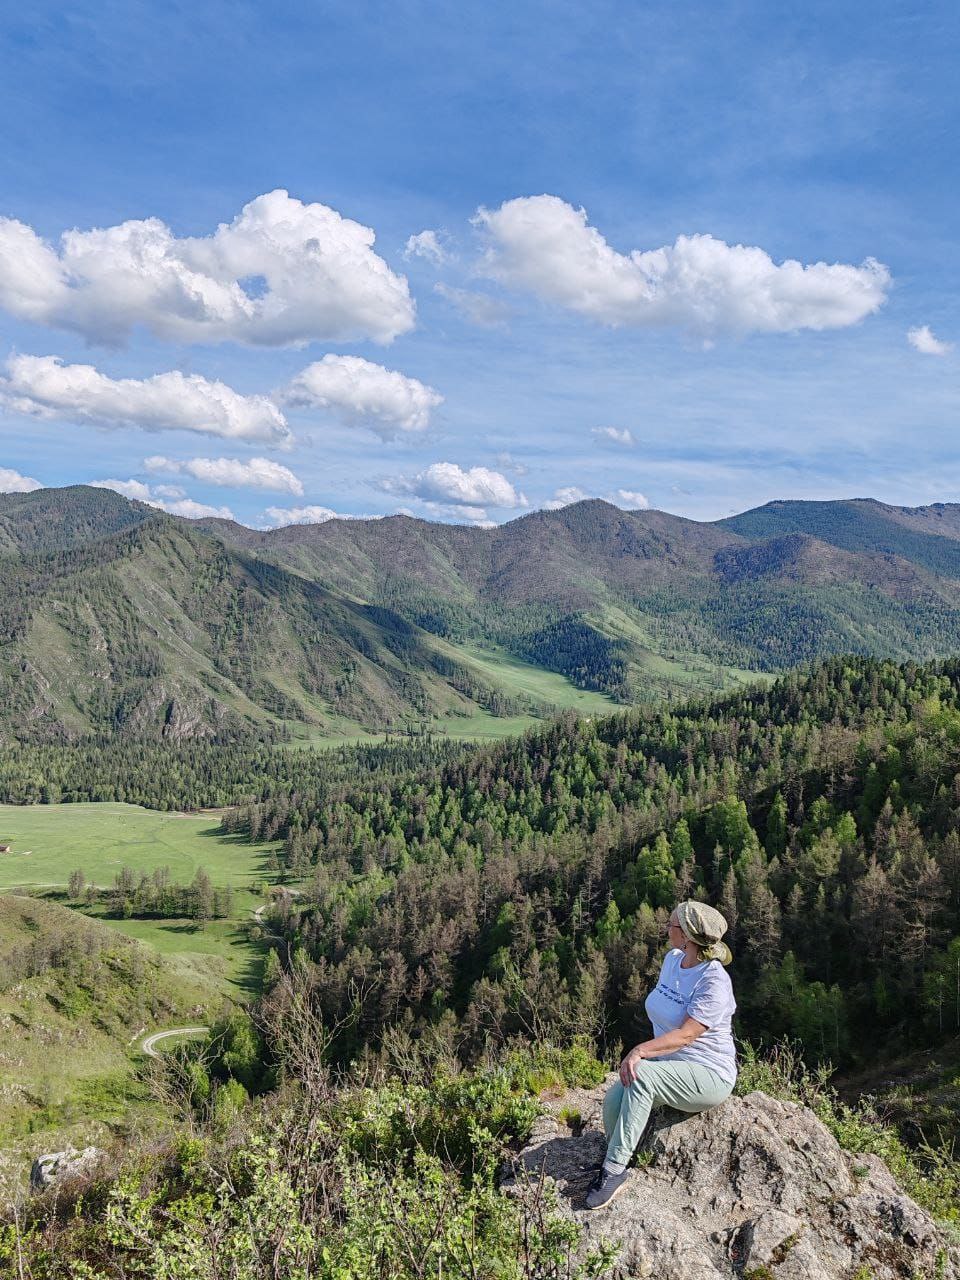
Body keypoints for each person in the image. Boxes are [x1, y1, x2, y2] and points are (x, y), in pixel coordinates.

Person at [585, 899, 737, 1210]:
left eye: (672, 925)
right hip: (670, 1064)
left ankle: (613, 1171)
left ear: (689, 936)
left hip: (709, 1073)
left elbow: (687, 1035)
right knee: (614, 1100)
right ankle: (623, 1151)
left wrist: (640, 1051)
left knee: (641, 1077)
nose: (666, 929)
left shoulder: (714, 981)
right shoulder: (673, 960)